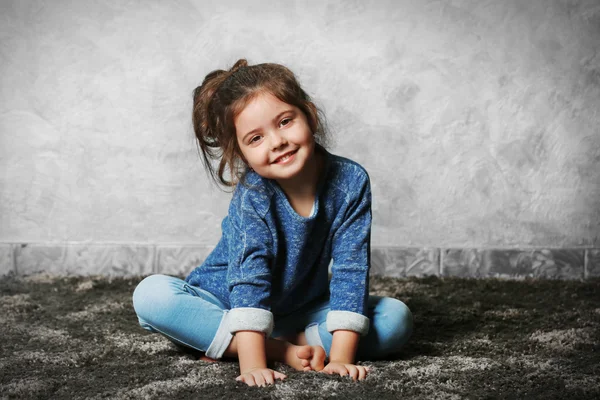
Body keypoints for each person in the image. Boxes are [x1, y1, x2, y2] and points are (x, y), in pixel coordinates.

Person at [132, 59, 413, 387]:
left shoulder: (350, 181)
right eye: (255, 139)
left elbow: (352, 269)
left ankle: (239, 342)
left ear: (308, 114)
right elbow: (249, 279)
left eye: (284, 121)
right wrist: (254, 363)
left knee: (396, 319)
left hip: (300, 309)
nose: (276, 142)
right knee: (151, 295)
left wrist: (341, 360)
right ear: (240, 153)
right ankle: (278, 348)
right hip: (226, 304)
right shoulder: (254, 193)